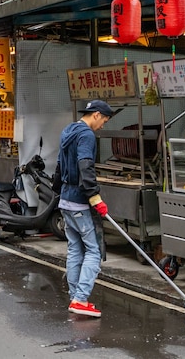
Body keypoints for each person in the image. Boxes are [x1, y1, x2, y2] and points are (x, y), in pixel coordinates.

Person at [58, 99, 116, 318]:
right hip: (80, 201)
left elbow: (59, 165)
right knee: (93, 250)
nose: (102, 126)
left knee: (74, 249)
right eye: (104, 121)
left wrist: (59, 192)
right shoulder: (86, 135)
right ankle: (81, 299)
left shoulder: (68, 131)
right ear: (97, 115)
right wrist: (94, 196)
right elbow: (85, 165)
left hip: (65, 199)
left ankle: (76, 298)